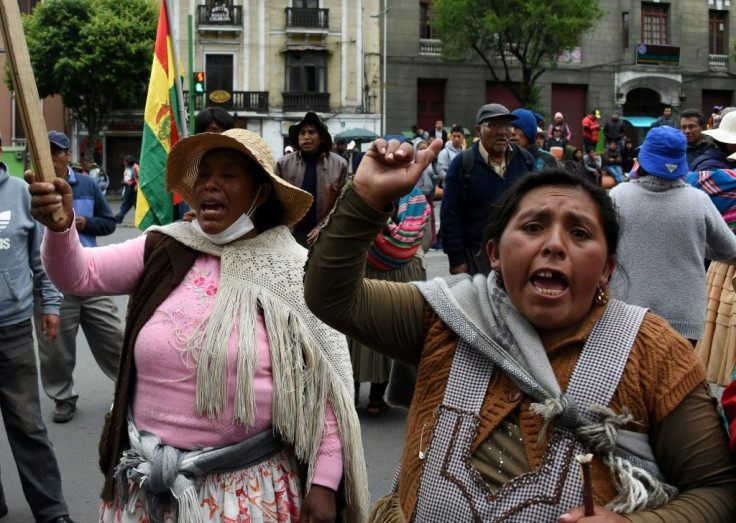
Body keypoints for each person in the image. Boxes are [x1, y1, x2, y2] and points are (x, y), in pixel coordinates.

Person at [304, 137, 736, 521]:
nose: (553, 244)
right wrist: (365, 197)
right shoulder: (448, 315)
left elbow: (717, 490)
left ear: (606, 268)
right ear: (493, 253)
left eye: (580, 233)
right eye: (532, 227)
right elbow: (332, 297)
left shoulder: (655, 353)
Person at [27, 128, 368, 522]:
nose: (210, 184)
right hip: (148, 490)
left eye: (228, 175)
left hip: (246, 495)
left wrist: (325, 485)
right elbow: (78, 275)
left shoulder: (293, 271)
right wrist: (59, 226)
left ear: (261, 192)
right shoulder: (165, 248)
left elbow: (325, 388)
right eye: (204, 175)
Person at [0, 136, 75, 523]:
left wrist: (50, 305)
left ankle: (52, 511)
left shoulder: (21, 194)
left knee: (28, 425)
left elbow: (39, 257)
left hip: (11, 330)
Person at [610, 126, 736, 345]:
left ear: (642, 158)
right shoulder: (698, 201)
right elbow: (729, 250)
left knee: (632, 379)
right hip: (684, 320)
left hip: (627, 314)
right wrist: (696, 244)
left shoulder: (618, 196)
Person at [34, 131, 123, 424]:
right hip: (53, 283)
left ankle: (129, 391)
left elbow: (109, 222)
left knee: (115, 337)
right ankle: (62, 398)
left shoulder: (86, 184)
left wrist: (85, 223)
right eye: (44, 152)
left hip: (91, 273)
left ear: (67, 156)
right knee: (55, 349)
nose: (49, 158)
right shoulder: (32, 190)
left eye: (55, 152)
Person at [352, 184, 430, 416]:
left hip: (367, 272)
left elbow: (348, 231)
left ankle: (358, 395)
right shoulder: (416, 201)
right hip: (402, 273)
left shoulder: (364, 194)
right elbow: (424, 239)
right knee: (386, 334)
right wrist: (404, 253)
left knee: (359, 337)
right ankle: (374, 397)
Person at [440, 103, 533, 276]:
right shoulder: (463, 164)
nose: (502, 131)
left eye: (507, 125)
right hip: (476, 257)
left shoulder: (525, 161)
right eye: (494, 125)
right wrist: (457, 260)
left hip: (518, 254)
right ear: (479, 131)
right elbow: (449, 216)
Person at [275, 111, 348, 247]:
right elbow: (274, 201)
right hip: (289, 237)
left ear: (321, 138)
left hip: (325, 238)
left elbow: (343, 203)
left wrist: (323, 227)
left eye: (311, 132)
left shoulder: (339, 164)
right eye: (302, 133)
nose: (306, 137)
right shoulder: (283, 164)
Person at [114, 155, 138, 224]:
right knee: (126, 203)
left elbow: (140, 177)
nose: (124, 162)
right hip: (128, 188)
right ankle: (119, 217)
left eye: (125, 161)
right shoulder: (127, 167)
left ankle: (139, 219)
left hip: (134, 188)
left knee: (135, 204)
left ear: (128, 162)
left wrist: (137, 185)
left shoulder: (135, 167)